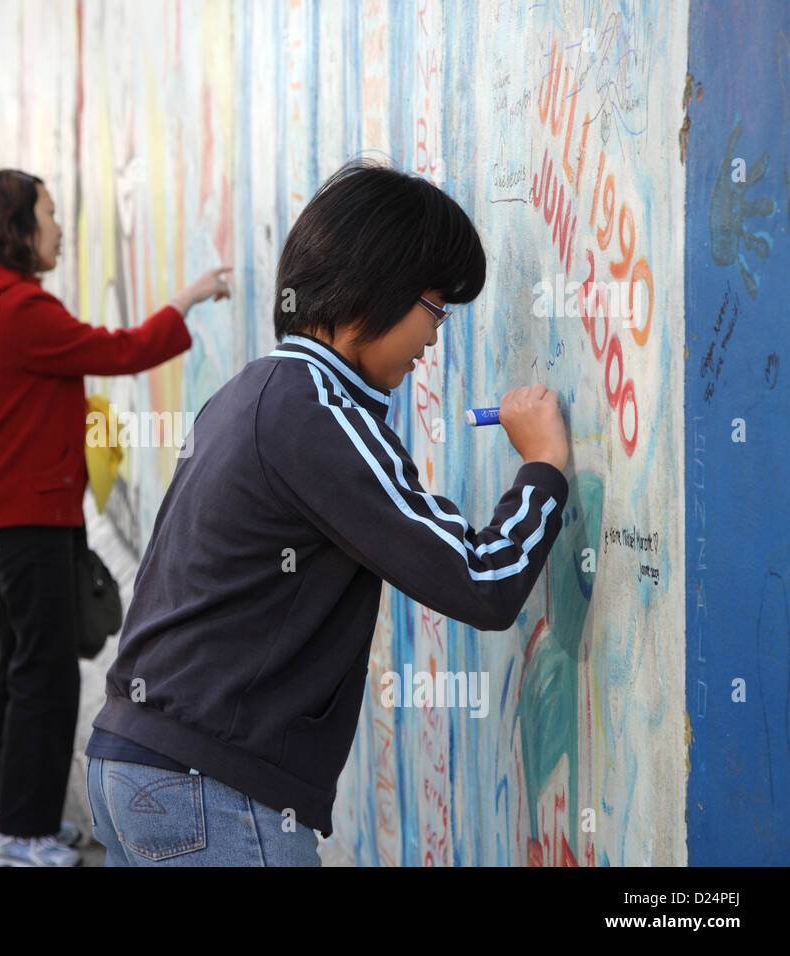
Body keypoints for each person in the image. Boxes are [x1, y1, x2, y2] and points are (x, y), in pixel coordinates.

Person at [85, 160, 572, 866]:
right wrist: (543, 469)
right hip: (207, 789)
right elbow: (482, 579)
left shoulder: (257, 390)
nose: (435, 340)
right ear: (377, 291)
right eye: (435, 309)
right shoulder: (319, 415)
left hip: (141, 764)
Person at [0, 168, 231, 866]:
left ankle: (9, 820)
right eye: (50, 212)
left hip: (19, 511)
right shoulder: (20, 310)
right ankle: (19, 834)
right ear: (17, 226)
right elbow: (119, 350)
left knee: (23, 667)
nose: (60, 227)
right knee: (45, 675)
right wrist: (187, 300)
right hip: (31, 516)